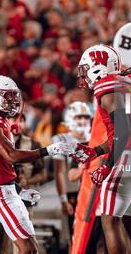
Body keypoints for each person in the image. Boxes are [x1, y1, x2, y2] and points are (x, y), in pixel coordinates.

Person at [0, 75, 74, 254]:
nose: (14, 100)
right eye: (8, 96)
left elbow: (3, 167)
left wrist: (19, 190)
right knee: (25, 249)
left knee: (31, 249)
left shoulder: (0, 121)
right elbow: (12, 156)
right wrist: (48, 150)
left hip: (7, 190)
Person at [71, 44, 131, 254]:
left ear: (97, 67)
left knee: (110, 220)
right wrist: (96, 151)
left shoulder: (106, 84)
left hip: (126, 159)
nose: (85, 76)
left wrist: (107, 166)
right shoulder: (127, 83)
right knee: (130, 223)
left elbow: (123, 132)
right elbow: (123, 133)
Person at [52, 101, 92, 240]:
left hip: (93, 191)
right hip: (73, 190)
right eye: (78, 117)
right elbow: (60, 172)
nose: (83, 121)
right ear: (70, 118)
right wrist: (63, 199)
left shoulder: (94, 139)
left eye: (86, 117)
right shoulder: (61, 139)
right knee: (76, 236)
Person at [8, 113, 46, 218]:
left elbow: (42, 175)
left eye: (21, 121)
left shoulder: (33, 144)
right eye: (14, 120)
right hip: (3, 195)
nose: (18, 124)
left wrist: (26, 182)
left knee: (25, 230)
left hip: (25, 197)